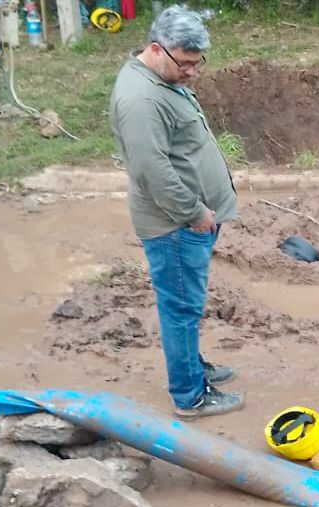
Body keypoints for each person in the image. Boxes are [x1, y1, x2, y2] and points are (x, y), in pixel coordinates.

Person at [109, 5, 244, 418]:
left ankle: (191, 366)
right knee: (181, 307)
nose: (192, 72)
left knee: (186, 302)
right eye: (185, 64)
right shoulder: (141, 99)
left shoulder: (160, 77)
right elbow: (152, 171)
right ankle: (190, 395)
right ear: (157, 49)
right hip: (175, 224)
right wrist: (194, 213)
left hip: (190, 218)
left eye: (197, 63)